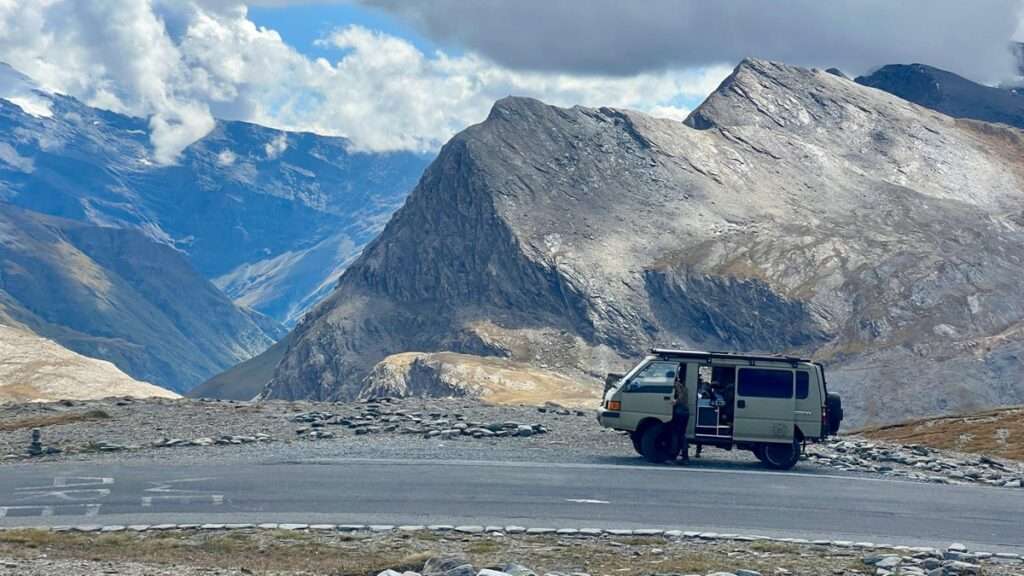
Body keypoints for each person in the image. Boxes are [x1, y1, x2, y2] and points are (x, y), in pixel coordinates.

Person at [671, 368, 690, 463]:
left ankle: (673, 456)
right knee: (682, 435)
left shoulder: (676, 385)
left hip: (679, 412)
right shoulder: (683, 386)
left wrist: (675, 401)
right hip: (685, 412)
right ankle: (685, 456)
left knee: (675, 434)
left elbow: (681, 397)